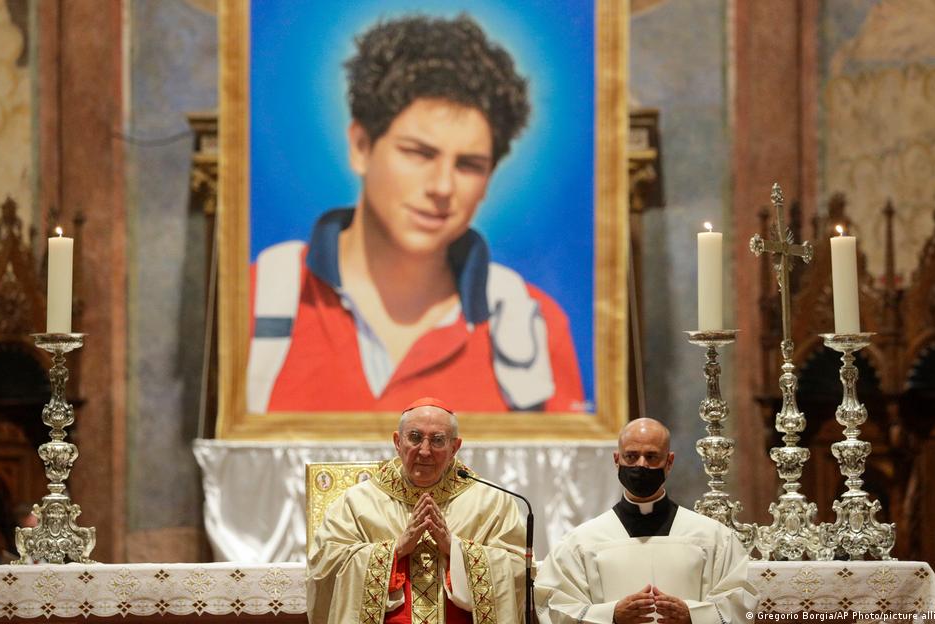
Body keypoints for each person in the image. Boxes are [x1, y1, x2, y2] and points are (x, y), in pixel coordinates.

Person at [248, 14, 584, 414]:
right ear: (360, 145)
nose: (442, 186)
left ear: (489, 177)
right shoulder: (254, 301)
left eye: (468, 165)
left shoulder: (535, 326)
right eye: (418, 153)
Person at [307, 397, 526, 623]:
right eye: (414, 437)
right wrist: (395, 550)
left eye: (438, 440)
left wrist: (456, 549)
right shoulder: (356, 502)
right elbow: (325, 567)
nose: (424, 450)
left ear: (455, 447)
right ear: (397, 441)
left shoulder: (491, 502)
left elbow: (519, 570)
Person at [534, 418, 758, 624]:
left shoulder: (713, 537)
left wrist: (693, 616)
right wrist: (611, 616)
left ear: (669, 462)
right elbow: (554, 607)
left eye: (651, 457)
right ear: (617, 460)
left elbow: (741, 604)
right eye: (631, 456)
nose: (641, 466)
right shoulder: (580, 542)